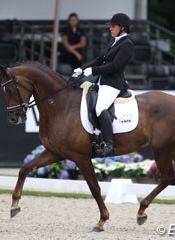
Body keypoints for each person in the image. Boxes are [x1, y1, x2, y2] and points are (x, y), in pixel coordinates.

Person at [73, 13, 134, 157]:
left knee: (100, 107)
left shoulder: (127, 44)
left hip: (113, 83)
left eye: (113, 26)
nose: (110, 28)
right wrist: (83, 68)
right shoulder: (113, 41)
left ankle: (109, 144)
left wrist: (92, 71)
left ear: (123, 28)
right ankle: (94, 135)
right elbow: (99, 59)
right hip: (102, 81)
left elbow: (115, 66)